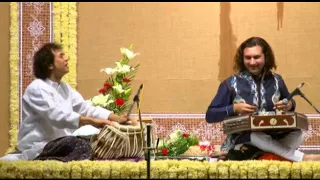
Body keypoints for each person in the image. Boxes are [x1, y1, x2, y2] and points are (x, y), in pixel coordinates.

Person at [0, 42, 131, 161]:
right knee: (80, 144)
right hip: (40, 145)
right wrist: (93, 121)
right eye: (61, 56)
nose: (67, 58)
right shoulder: (37, 88)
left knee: (92, 138)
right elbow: (57, 116)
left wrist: (116, 117)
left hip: (60, 143)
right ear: (50, 65)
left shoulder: (64, 87)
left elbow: (85, 108)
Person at [205, 36, 320, 161]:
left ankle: (267, 155)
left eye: (257, 57)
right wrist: (234, 108)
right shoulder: (230, 84)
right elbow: (210, 115)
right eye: (248, 58)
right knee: (255, 136)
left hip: (274, 138)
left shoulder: (277, 81)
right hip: (245, 140)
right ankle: (302, 158)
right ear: (242, 59)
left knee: (298, 133)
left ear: (266, 57)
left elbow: (290, 102)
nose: (252, 62)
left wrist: (289, 105)